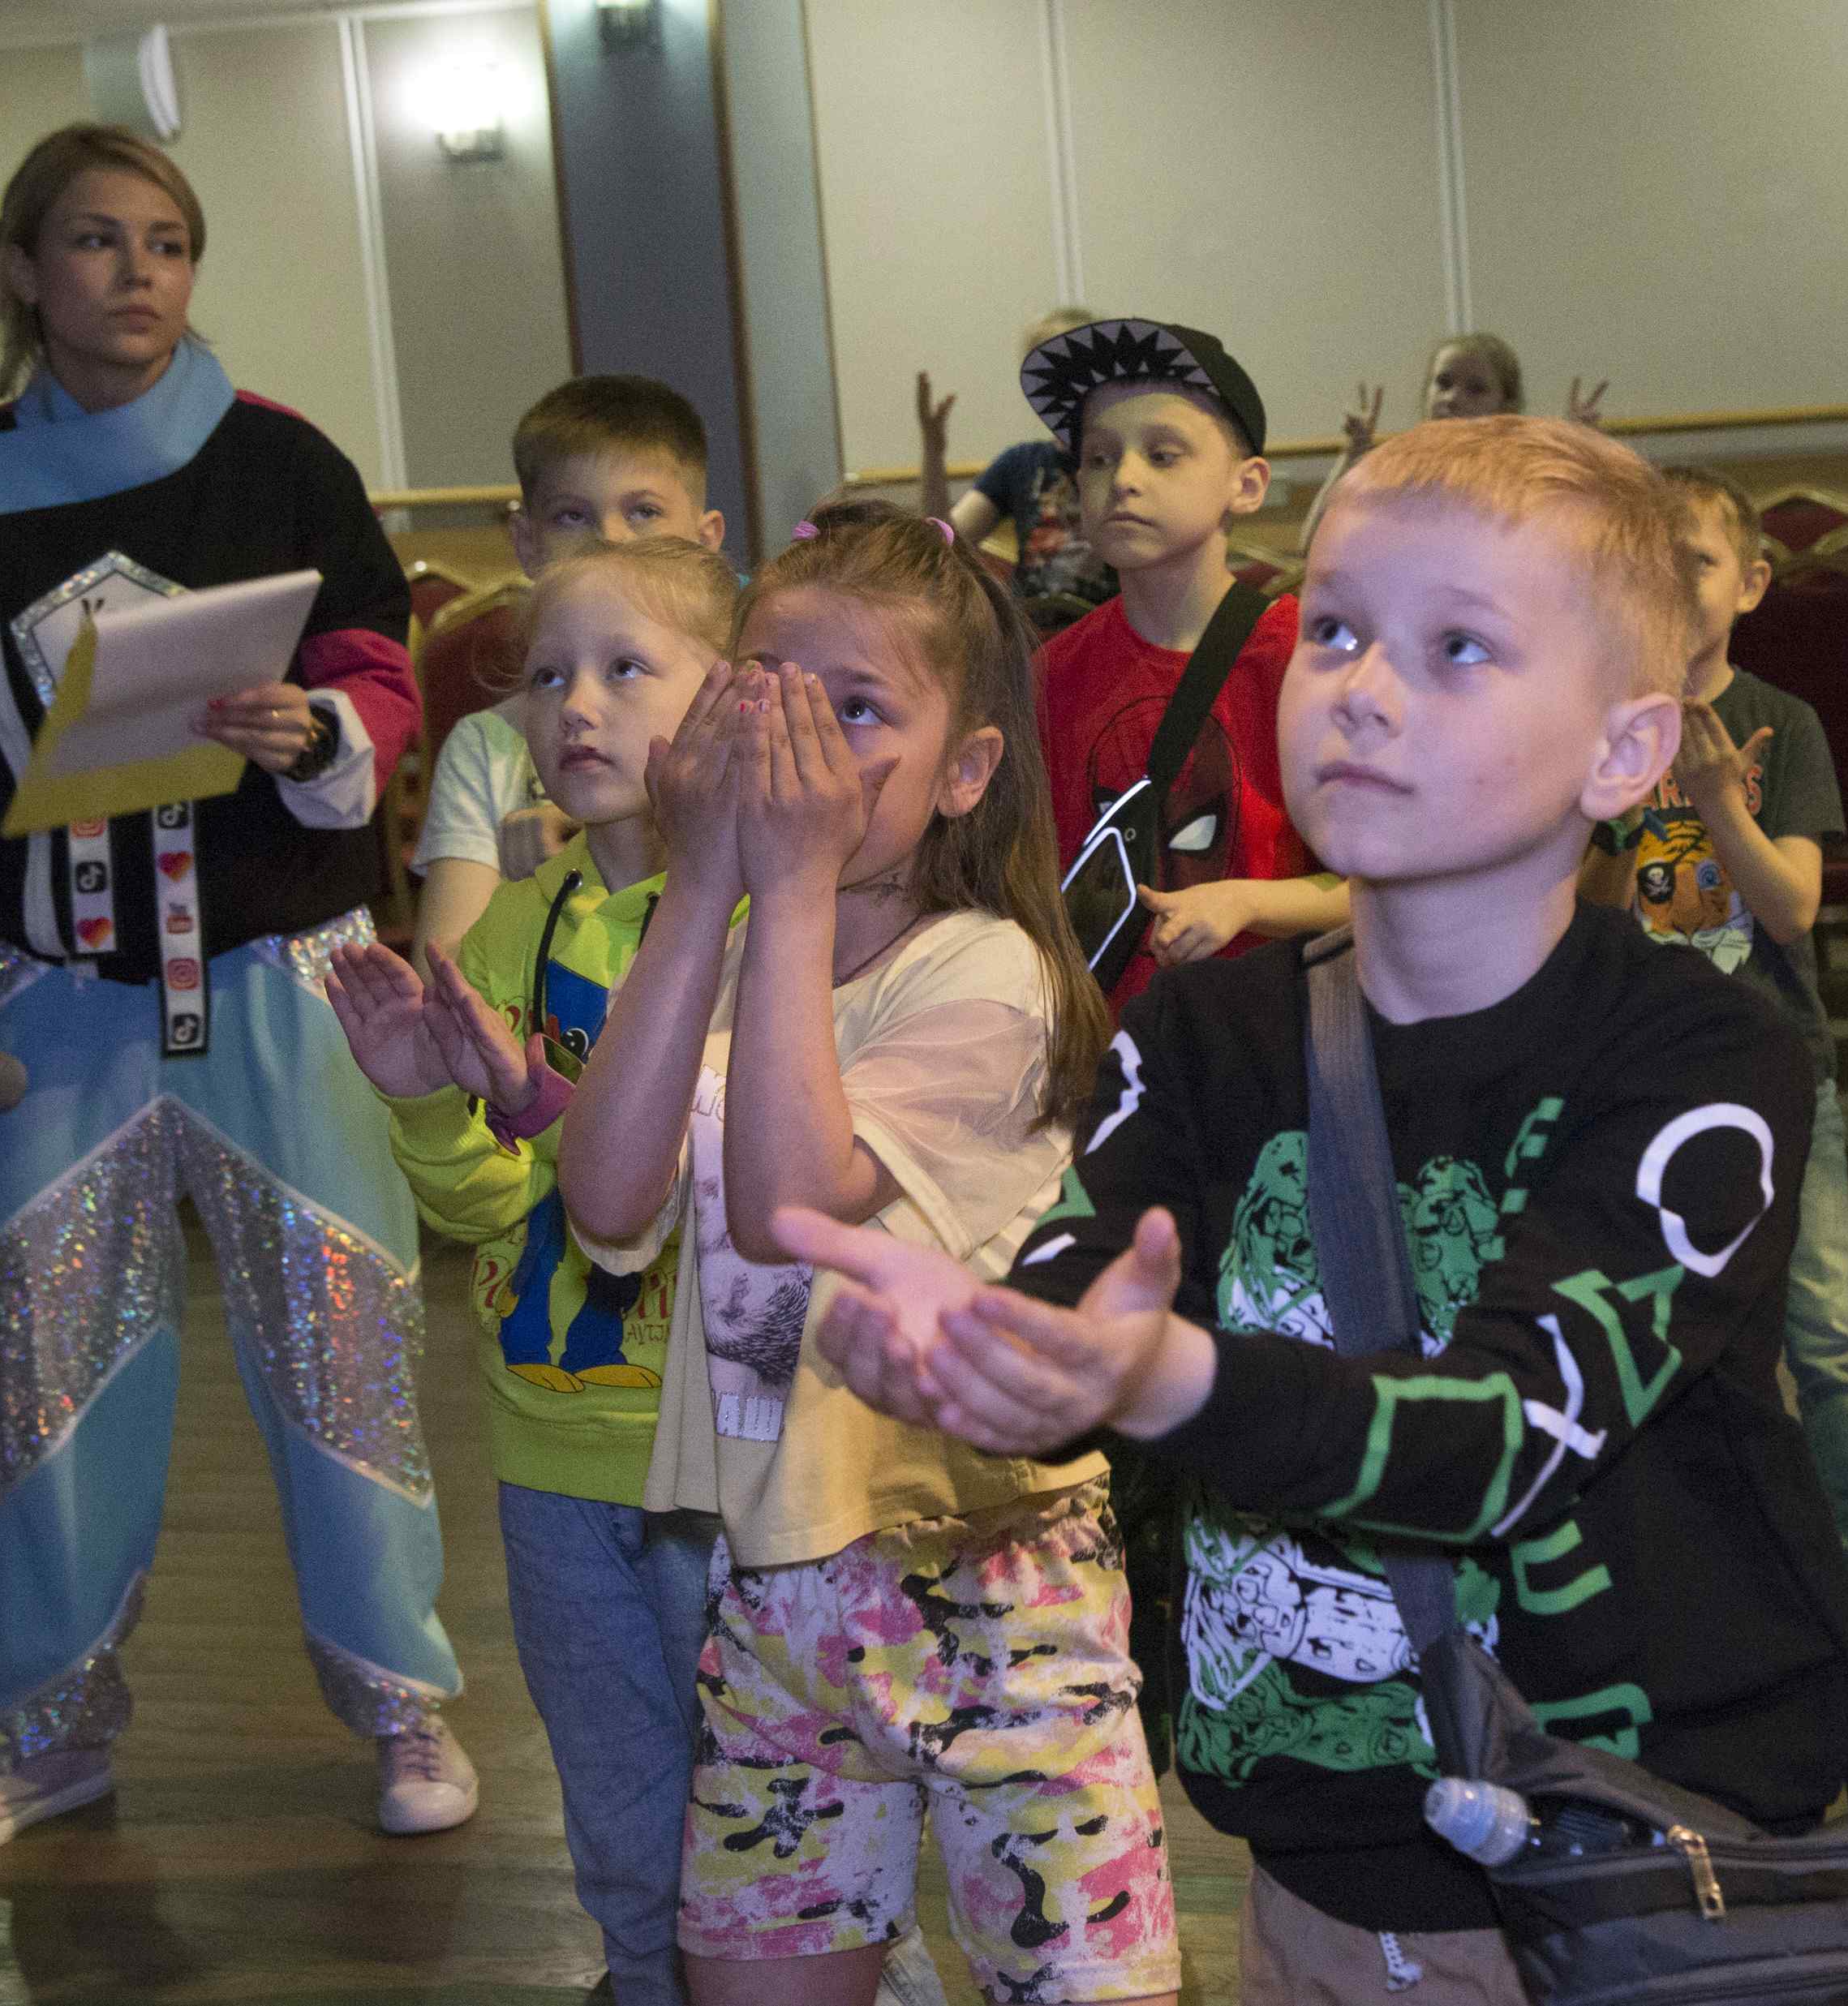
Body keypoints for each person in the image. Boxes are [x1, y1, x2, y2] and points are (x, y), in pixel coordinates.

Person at [782, 415, 1848, 2006]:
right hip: (1319, 1871)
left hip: (1645, 1864)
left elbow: (1499, 1436)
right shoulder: (1208, 1031)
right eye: (1339, 630)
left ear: (1626, 752)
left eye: (1458, 649)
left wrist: (1156, 1380)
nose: (1360, 685)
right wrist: (996, 1350)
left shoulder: (1705, 1058)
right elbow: (1085, 1280)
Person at [0, 122, 467, 1867]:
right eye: (93, 240)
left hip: (283, 977)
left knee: (343, 1344)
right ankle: (49, 1732)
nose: (135, 273)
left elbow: (373, 659)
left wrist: (323, 727)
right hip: (56, 996)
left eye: (166, 242)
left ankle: (399, 1699)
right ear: (20, 271)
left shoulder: (282, 458)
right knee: (44, 1374)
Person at [556, 504, 1178, 2006]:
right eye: (765, 692)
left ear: (964, 768)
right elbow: (603, 1197)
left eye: (856, 710)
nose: (801, 747)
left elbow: (787, 1206)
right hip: (776, 1589)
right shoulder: (723, 946)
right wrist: (704, 880)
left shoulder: (990, 970)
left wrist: (789, 879)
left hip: (998, 1587)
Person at [328, 537, 725, 2004]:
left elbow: (720, 1195)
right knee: (622, 1810)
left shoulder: (769, 929)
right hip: (553, 1449)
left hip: (729, 1456)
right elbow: (489, 1210)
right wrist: (429, 1095)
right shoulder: (506, 925)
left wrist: (537, 1103)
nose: (580, 707)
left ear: (729, 698)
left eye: (629, 669)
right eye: (551, 676)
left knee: (782, 1808)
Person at [1581, 464, 1848, 1699]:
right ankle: (1687, 1578)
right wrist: (1622, 827)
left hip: (1778, 1081)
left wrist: (1713, 804)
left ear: (1750, 581)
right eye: (1649, 557)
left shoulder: (1781, 718)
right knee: (1659, 1343)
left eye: (1697, 557)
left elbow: (1791, 911)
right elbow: (1581, 923)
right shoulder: (1598, 727)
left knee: (1829, 1335)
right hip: (1635, 1090)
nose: (1672, 581)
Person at [1023, 318, 1346, 1013]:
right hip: (1102, 1066)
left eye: (1163, 455)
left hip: (1267, 1053)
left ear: (1248, 484)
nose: (1124, 480)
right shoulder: (1050, 674)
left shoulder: (1307, 661)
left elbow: (1384, 887)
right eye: (1099, 459)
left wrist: (1245, 901)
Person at [411, 374, 729, 972]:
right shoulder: (492, 747)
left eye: (644, 511)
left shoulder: (754, 724)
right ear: (527, 543)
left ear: (706, 538)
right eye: (571, 517)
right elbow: (442, 980)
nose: (610, 539)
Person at [1298, 332, 1605, 552]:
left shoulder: (1527, 469)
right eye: (1443, 384)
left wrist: (1577, 449)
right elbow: (1313, 542)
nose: (1453, 398)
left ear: (1506, 402)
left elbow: (1574, 549)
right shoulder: (1398, 465)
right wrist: (1354, 454)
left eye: (1476, 389)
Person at [918, 304, 1120, 611]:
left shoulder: (1127, 462)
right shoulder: (1020, 462)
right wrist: (933, 455)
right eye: (1048, 377)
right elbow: (944, 544)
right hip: (1032, 632)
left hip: (1105, 633)